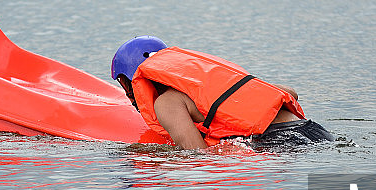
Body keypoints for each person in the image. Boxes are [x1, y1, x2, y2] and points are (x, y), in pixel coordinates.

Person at [111, 36, 334, 150]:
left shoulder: (167, 102)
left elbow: (196, 155)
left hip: (279, 141)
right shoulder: (208, 78)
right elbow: (290, 93)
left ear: (132, 81)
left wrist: (151, 156)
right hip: (314, 130)